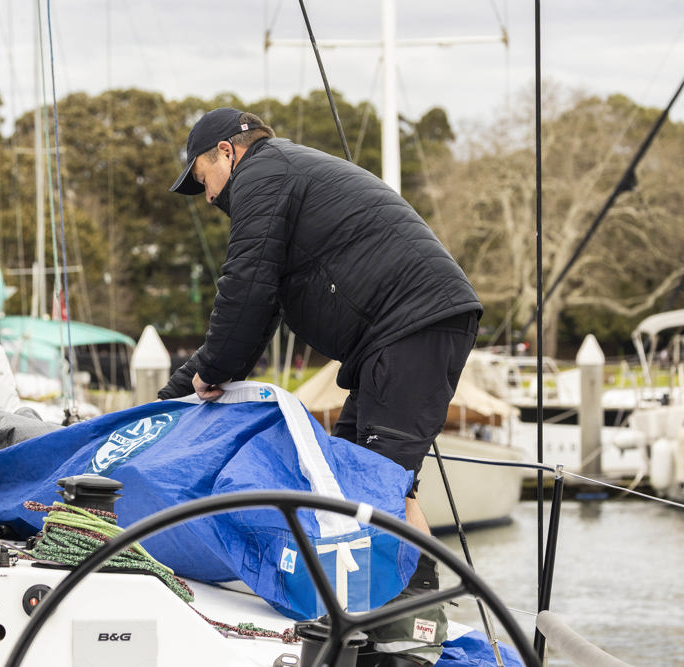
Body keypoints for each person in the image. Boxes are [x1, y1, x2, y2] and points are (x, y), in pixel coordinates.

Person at [158, 108, 482, 666]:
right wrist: (191, 379)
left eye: (201, 177)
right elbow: (255, 312)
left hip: (411, 326)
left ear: (227, 153)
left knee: (379, 483)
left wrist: (212, 368)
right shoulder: (281, 178)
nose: (207, 197)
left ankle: (416, 633)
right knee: (354, 477)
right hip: (396, 335)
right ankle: (390, 620)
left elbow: (247, 285)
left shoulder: (264, 174)